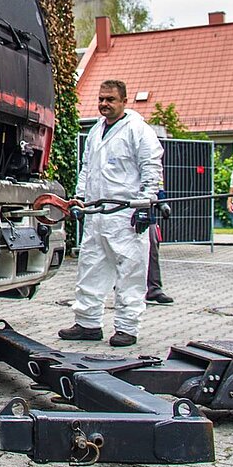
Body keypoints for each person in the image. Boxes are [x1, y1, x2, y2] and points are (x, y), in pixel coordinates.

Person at [59, 80, 164, 347]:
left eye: (110, 99)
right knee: (90, 268)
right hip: (96, 214)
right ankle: (88, 323)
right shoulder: (96, 130)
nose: (104, 104)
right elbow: (87, 168)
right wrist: (80, 198)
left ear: (124, 101)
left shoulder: (138, 130)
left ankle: (127, 327)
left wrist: (146, 204)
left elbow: (151, 168)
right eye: (101, 99)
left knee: (130, 272)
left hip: (125, 215)